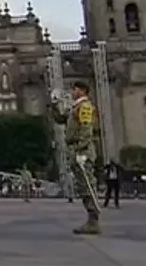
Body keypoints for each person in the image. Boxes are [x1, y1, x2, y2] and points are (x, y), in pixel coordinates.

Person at [50, 79, 101, 234]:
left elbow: (86, 130)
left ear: (82, 91)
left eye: (75, 89)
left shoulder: (85, 107)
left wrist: (81, 150)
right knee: (82, 185)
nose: (72, 92)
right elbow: (60, 119)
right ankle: (91, 219)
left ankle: (93, 220)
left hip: (82, 151)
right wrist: (54, 105)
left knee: (87, 185)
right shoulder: (75, 108)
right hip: (76, 150)